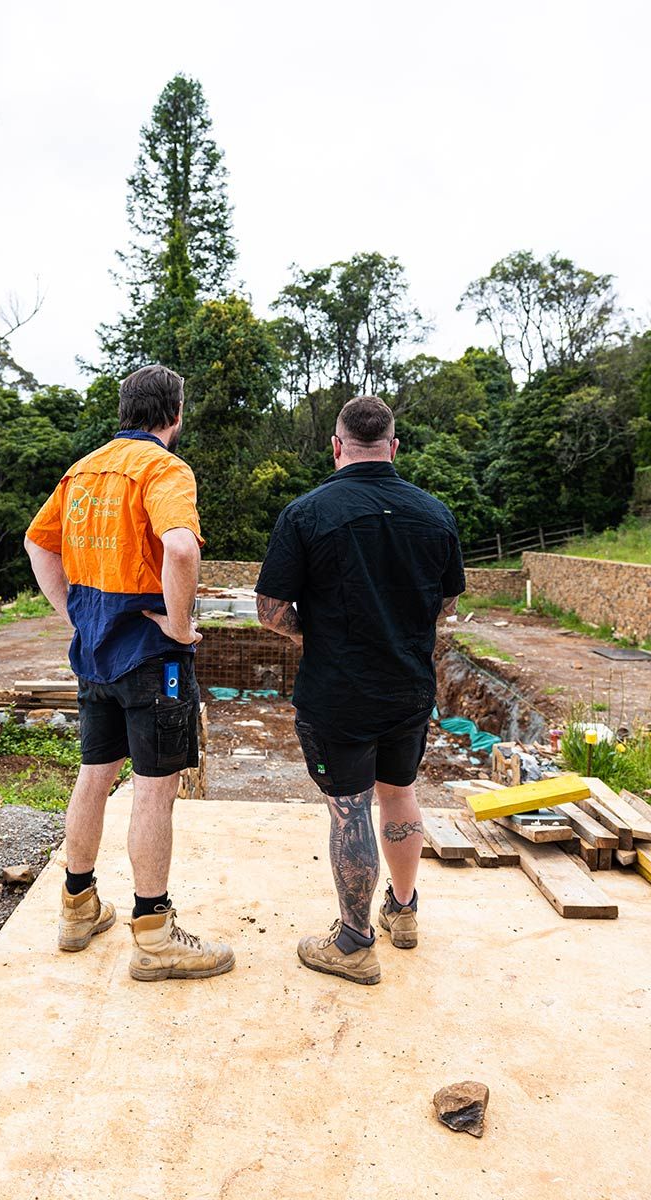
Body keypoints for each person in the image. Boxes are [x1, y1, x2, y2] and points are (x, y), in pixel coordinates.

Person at [25, 364, 234, 982]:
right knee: (154, 786)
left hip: (96, 656)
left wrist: (73, 612)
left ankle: (77, 906)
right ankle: (155, 933)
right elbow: (180, 547)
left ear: (124, 411)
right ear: (175, 413)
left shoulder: (83, 470)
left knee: (94, 775)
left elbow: (39, 544)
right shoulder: (164, 469)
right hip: (153, 660)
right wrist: (176, 621)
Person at [255, 395, 465, 986]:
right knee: (399, 793)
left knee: (350, 808)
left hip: (338, 692)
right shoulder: (435, 513)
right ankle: (403, 909)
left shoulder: (307, 513)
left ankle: (352, 942)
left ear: (337, 446)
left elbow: (271, 610)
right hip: (407, 688)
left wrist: (315, 630)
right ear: (394, 446)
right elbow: (446, 602)